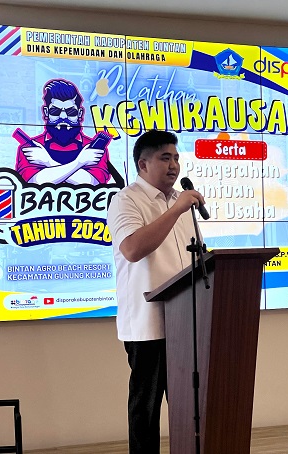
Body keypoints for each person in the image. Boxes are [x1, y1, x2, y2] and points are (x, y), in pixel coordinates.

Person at [107, 130, 205, 453]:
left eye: (176, 158)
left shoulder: (180, 202)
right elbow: (133, 249)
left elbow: (198, 259)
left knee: (188, 405)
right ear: (143, 164)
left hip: (185, 322)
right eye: (165, 158)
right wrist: (175, 211)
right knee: (145, 410)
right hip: (147, 324)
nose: (174, 165)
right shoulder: (126, 200)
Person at [14, 78, 110, 185]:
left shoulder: (95, 149)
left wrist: (47, 161)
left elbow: (93, 184)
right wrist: (80, 162)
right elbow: (35, 182)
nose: (63, 117)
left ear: (80, 113)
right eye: (55, 111)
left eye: (71, 112)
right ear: (46, 112)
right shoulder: (30, 148)